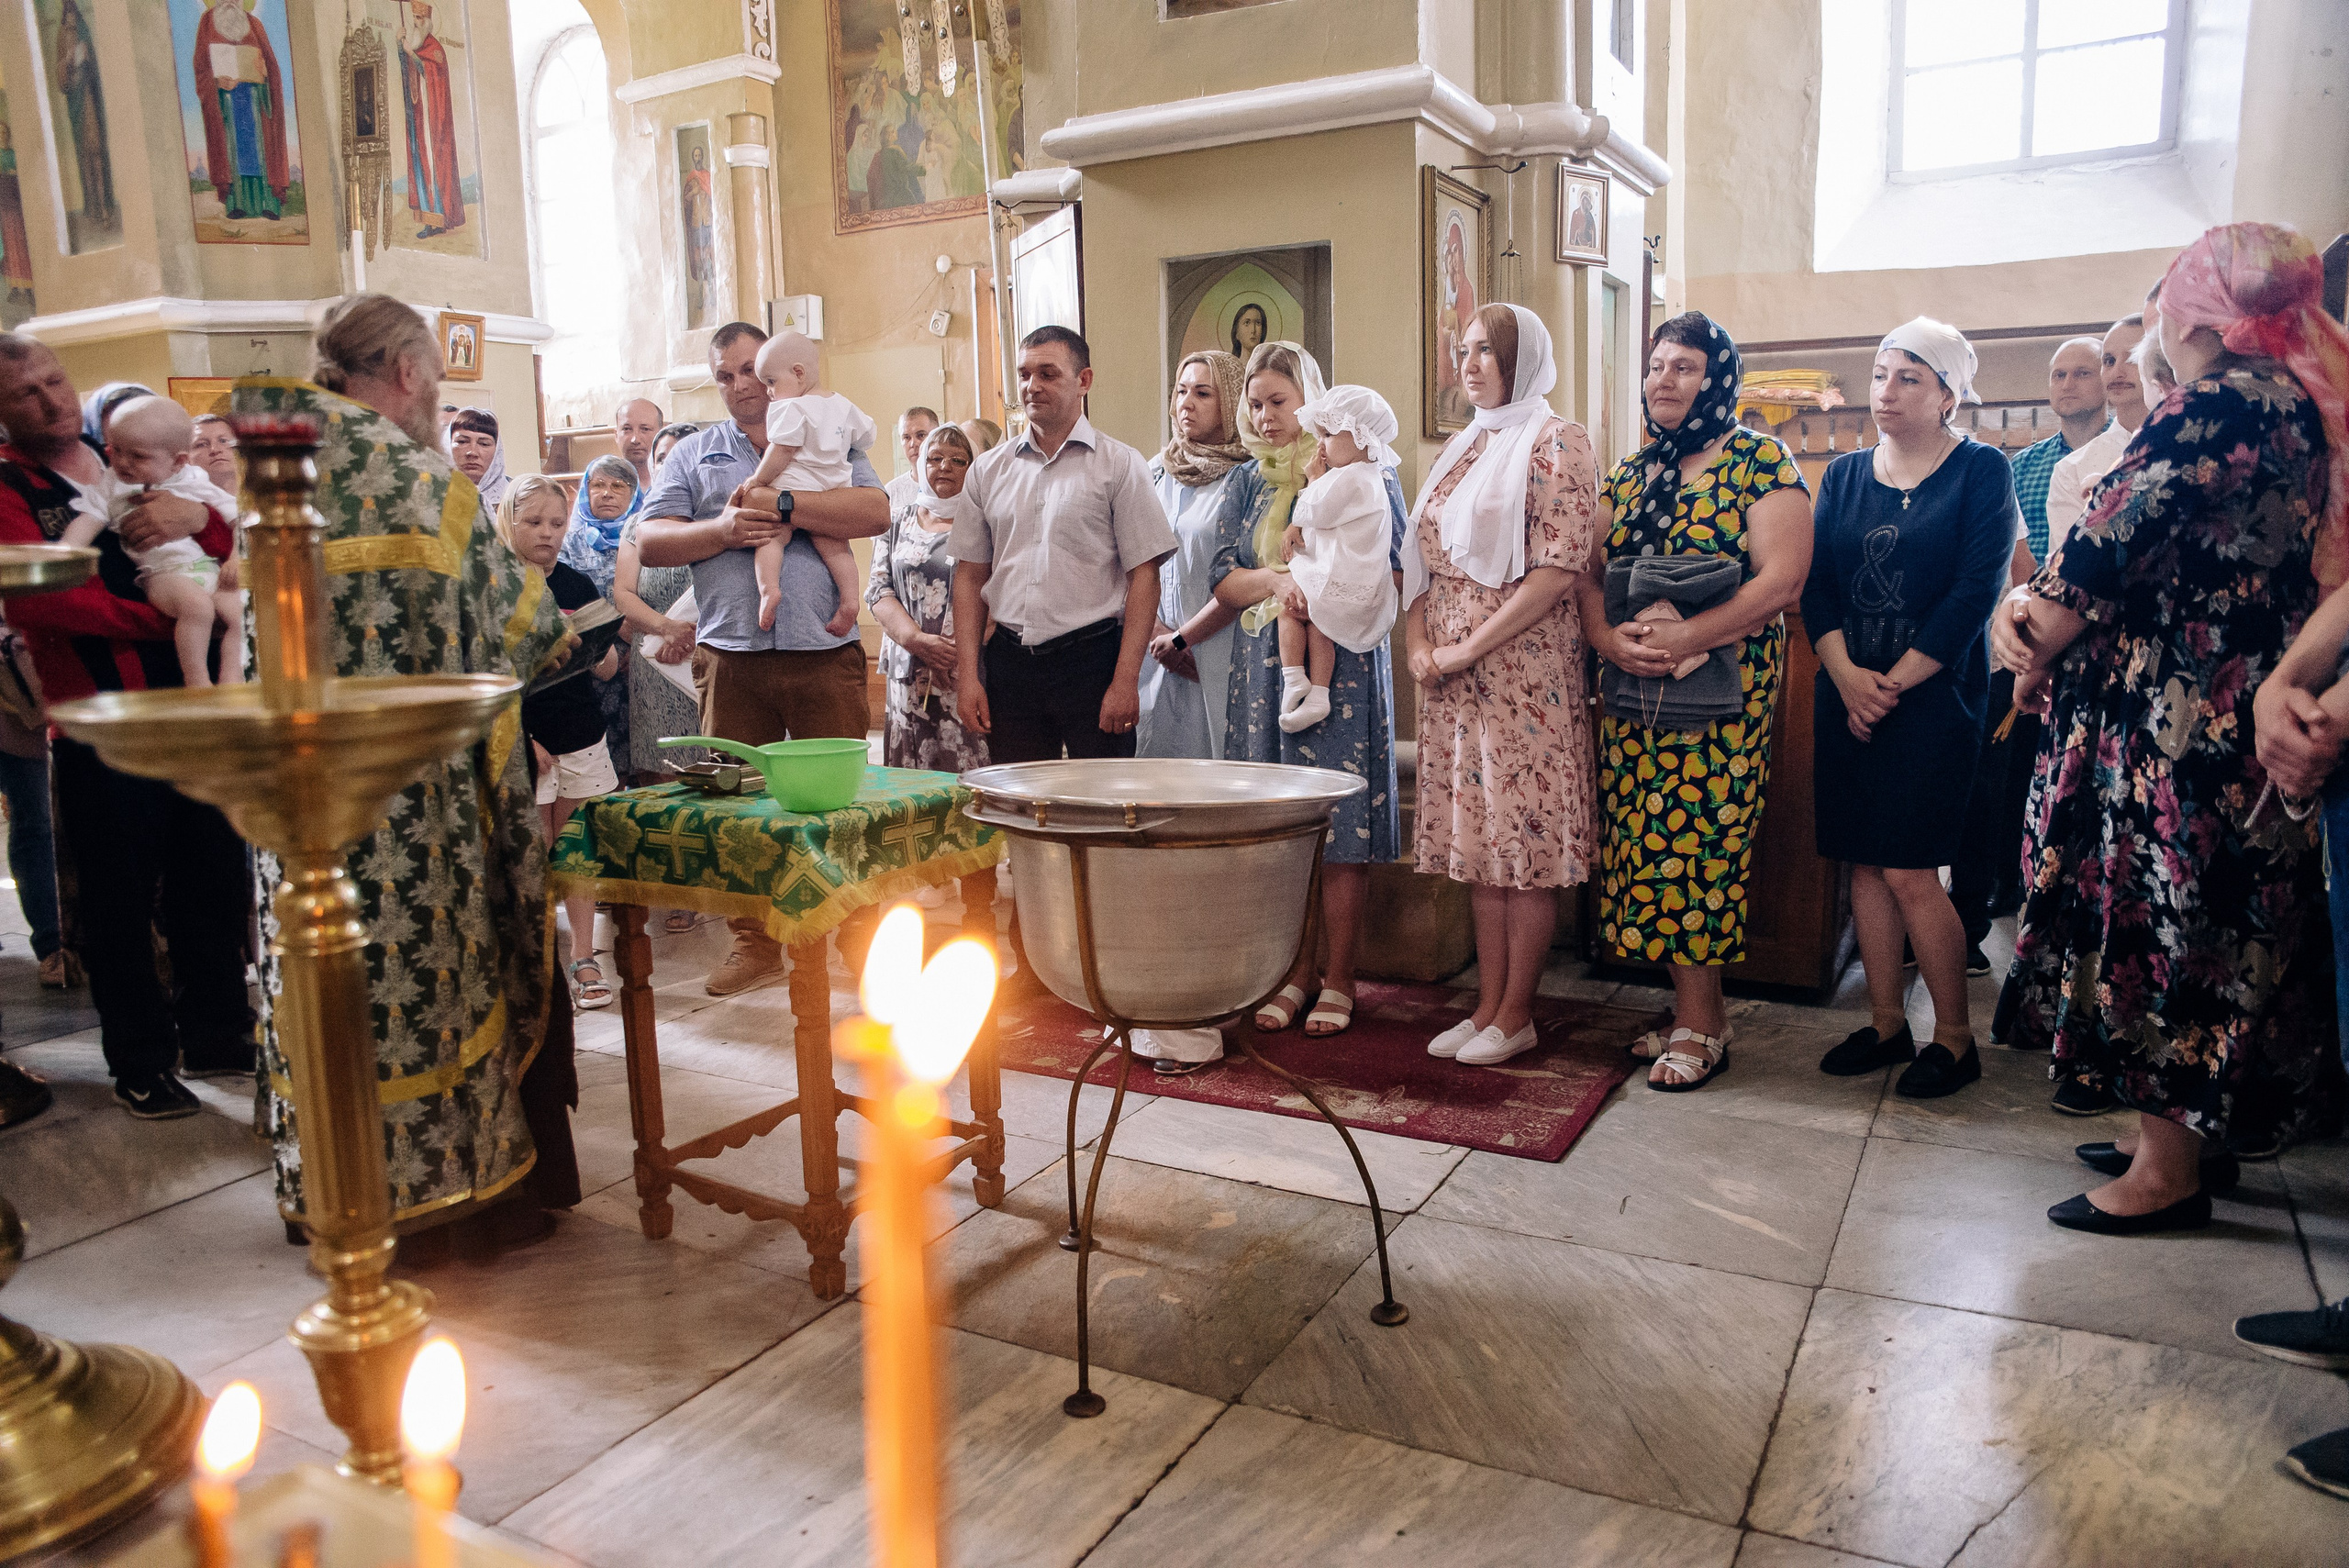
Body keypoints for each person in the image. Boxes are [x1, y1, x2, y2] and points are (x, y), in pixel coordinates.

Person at [1995, 222, 2346, 1234]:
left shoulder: (2216, 404)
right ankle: (2187, 1135)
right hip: (2240, 697)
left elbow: (2106, 544)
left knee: (2166, 923)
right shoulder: (2298, 398)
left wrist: (2029, 625)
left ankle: (2163, 1170)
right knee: (2222, 919)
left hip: (2179, 720)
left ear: (2193, 310)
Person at [236, 294, 579, 1248]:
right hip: (416, 806)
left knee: (324, 983)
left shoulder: (270, 469)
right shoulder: (423, 483)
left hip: (305, 798)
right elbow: (528, 632)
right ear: (402, 374)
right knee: (427, 984)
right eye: (433, 379)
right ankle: (452, 1202)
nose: (436, 399)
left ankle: (337, 1195)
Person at [0, 336, 248, 1123]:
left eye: (56, 380)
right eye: (28, 394)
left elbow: (228, 540)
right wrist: (168, 617)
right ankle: (140, 1059)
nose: (52, 400)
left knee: (210, 875)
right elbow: (40, 599)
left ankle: (218, 1031)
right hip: (103, 722)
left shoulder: (142, 454)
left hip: (194, 709)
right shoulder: (11, 485)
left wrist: (193, 523)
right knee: (117, 900)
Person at [1586, 313, 1813, 1089]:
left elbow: (1780, 582)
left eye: (1683, 367)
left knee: (1703, 846)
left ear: (1717, 379)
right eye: (1655, 367)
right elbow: (1588, 574)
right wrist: (1610, 640)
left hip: (1723, 697)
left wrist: (1691, 637)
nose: (1663, 380)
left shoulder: (1760, 461)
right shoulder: (1633, 471)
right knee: (1645, 846)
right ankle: (1692, 1007)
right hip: (1635, 690)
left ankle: (1702, 1024)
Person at [634, 321, 889, 997]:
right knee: (739, 807)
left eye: (751, 369)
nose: (742, 384)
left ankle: (862, 938)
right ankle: (754, 942)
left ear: (780, 370)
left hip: (823, 651)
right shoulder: (693, 454)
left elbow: (873, 509)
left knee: (843, 808)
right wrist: (719, 530)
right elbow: (649, 540)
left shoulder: (828, 425)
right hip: (731, 656)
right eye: (725, 375)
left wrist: (784, 503)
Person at [1803, 317, 2015, 1100]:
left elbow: (1973, 591)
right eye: (1880, 374)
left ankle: (1954, 1039)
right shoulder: (1847, 474)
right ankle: (1888, 1023)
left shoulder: (1980, 472)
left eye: (1908, 378)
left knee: (1912, 868)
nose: (1886, 392)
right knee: (1863, 858)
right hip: (1847, 690)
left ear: (1949, 395)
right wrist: (1849, 676)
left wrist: (1890, 683)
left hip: (1933, 698)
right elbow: (1817, 584)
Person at [1403, 306, 1596, 1065]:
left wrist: (1468, 648)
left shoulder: (1557, 441)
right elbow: (1417, 558)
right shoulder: (1462, 446)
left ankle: (1519, 1012)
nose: (1472, 363)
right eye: (1466, 349)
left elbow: (1558, 568)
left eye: (1490, 350)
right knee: (1478, 844)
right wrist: (1421, 641)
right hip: (1453, 673)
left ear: (1526, 360)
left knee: (1526, 841)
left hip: (1522, 670)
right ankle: (1486, 1005)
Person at [1986, 314, 2176, 1063]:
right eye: (2109, 357)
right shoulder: (2080, 466)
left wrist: (2029, 636)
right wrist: (2019, 613)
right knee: (2083, 864)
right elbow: (2064, 569)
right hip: (2090, 681)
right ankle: (2084, 1031)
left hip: (2154, 681)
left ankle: (2141, 1059)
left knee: (2148, 878)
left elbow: (2077, 588)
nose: (2117, 369)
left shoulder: (2180, 437)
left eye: (2130, 357)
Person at [1213, 339, 1402, 1039]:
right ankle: (1290, 972)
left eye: (1279, 402)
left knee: (1340, 827)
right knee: (1277, 833)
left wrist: (1330, 596)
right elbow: (1224, 579)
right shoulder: (1247, 482)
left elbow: (1395, 566)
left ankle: (1341, 977)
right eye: (1254, 403)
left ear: (1313, 401)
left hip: (1345, 660)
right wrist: (1281, 583)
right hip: (1267, 664)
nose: (1265, 417)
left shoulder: (1370, 467)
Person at [951, 325, 1173, 768]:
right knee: (1021, 804)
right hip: (1010, 663)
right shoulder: (988, 470)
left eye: (1048, 374)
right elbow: (970, 574)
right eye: (1025, 374)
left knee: (1106, 803)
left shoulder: (1119, 464)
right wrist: (969, 676)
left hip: (1092, 661)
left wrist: (1126, 680)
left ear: (1083, 381)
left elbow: (1144, 577)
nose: (1032, 386)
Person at [504, 475, 621, 1011]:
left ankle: (583, 952)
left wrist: (601, 651)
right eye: (533, 523)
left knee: (578, 851)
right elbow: (493, 675)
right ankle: (538, 960)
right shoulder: (498, 588)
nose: (547, 534)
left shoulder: (574, 584)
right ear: (509, 522)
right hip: (527, 739)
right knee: (536, 854)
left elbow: (603, 668)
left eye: (556, 523)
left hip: (579, 732)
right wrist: (522, 738)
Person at [61, 395, 242, 690]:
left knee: (241, 615)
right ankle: (197, 683)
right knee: (197, 608)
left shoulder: (193, 478)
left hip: (206, 568)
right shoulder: (113, 483)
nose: (123, 463)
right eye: (115, 450)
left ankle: (232, 683)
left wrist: (235, 558)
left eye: (138, 456)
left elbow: (238, 518)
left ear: (178, 460)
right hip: (162, 574)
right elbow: (87, 520)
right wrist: (64, 556)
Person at [724, 331, 871, 637]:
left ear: (798, 373)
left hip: (794, 486)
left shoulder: (792, 408)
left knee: (771, 538)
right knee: (837, 550)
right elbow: (867, 436)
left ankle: (769, 590)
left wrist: (757, 480)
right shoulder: (844, 405)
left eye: (772, 383)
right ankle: (850, 601)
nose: (769, 393)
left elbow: (783, 449)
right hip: (833, 490)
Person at [1142, 350, 1250, 764]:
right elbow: (1130, 564)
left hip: (1221, 646)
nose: (1186, 403)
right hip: (1155, 647)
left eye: (1203, 393)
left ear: (1232, 402)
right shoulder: (1156, 470)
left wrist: (1187, 639)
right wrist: (1159, 637)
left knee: (1217, 770)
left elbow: (1246, 574)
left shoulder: (1248, 475)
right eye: (1182, 390)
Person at [1278, 385, 1402, 733]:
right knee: (1319, 626)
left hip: (1343, 578)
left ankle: (1294, 678)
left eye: (1329, 434)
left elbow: (1317, 510)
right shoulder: (1362, 476)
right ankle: (1317, 694)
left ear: (1362, 438)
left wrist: (1313, 478)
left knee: (1286, 610)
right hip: (1344, 577)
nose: (1320, 445)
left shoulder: (1355, 478)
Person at [867, 425, 987, 773]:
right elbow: (878, 589)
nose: (944, 466)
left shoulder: (986, 521)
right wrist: (918, 641)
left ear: (972, 467)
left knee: (966, 769)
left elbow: (999, 591)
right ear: (920, 465)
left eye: (957, 460)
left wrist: (954, 653)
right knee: (911, 774)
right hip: (908, 667)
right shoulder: (897, 521)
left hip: (964, 669)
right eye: (934, 458)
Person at [558, 453, 642, 772]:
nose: (607, 493)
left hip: (644, 660)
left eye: (618, 485)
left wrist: (639, 649)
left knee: (646, 762)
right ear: (585, 489)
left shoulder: (644, 537)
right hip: (591, 664)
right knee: (601, 768)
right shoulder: (568, 543)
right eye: (598, 484)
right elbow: (566, 598)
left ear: (634, 493)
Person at [447, 406, 507, 508]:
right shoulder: (430, 493)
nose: (472, 452)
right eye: (462, 442)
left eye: (484, 444)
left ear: (497, 451)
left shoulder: (517, 498)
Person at [884, 405, 941, 508]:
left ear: (937, 436)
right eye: (906, 437)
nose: (913, 443)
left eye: (921, 435)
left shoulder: (951, 485)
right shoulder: (891, 492)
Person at [614, 397, 664, 491]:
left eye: (645, 429)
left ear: (661, 435)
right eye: (627, 429)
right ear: (616, 435)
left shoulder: (674, 481)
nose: (635, 440)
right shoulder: (602, 484)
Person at [190, 413, 239, 495]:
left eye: (223, 441)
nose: (215, 450)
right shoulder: (181, 504)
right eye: (202, 444)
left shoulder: (264, 495)